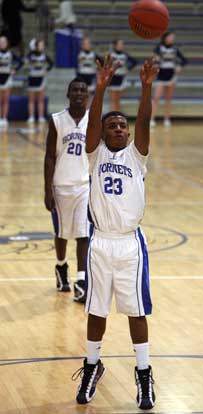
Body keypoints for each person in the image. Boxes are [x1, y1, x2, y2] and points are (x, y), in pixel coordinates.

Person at [72, 55, 159, 410]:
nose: (119, 129)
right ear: (104, 133)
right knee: (96, 311)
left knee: (136, 311)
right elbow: (93, 122)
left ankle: (144, 374)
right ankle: (92, 365)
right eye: (113, 126)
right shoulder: (95, 156)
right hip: (100, 243)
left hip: (129, 244)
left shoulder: (137, 157)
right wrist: (102, 86)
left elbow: (145, 121)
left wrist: (146, 86)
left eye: (123, 125)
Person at [44, 76, 89, 303]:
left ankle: (81, 280)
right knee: (62, 234)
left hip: (84, 186)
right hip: (60, 185)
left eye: (83, 90)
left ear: (88, 95)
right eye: (75, 90)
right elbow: (50, 156)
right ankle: (61, 267)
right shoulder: (57, 120)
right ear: (68, 94)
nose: (79, 93)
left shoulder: (94, 120)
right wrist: (47, 189)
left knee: (83, 233)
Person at [151, 31, 188, 128]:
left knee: (168, 99)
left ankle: (167, 119)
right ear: (165, 38)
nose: (172, 39)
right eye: (171, 37)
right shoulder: (159, 48)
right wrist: (155, 63)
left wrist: (180, 66)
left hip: (172, 76)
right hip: (161, 76)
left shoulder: (175, 49)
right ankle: (152, 119)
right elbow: (154, 60)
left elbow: (184, 60)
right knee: (156, 98)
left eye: (173, 37)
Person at [25, 39, 53, 124]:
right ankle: (31, 117)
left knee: (40, 100)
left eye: (43, 45)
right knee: (31, 100)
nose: (42, 46)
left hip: (41, 78)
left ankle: (41, 117)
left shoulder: (44, 56)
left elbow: (51, 63)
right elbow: (25, 61)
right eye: (40, 45)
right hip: (31, 79)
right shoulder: (30, 55)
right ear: (36, 46)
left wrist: (46, 70)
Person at [0, 36, 23, 129]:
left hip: (7, 78)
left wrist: (15, 69)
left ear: (7, 43)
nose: (2, 43)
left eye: (3, 42)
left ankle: (4, 118)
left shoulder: (10, 54)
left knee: (5, 100)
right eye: (0, 42)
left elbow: (21, 62)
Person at [108, 39, 137, 111]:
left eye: (122, 44)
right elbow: (105, 65)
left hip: (121, 78)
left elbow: (134, 62)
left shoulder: (125, 55)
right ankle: (112, 116)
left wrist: (128, 69)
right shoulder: (111, 55)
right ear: (115, 46)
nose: (121, 46)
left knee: (118, 100)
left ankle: (117, 116)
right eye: (119, 44)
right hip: (113, 78)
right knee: (112, 100)